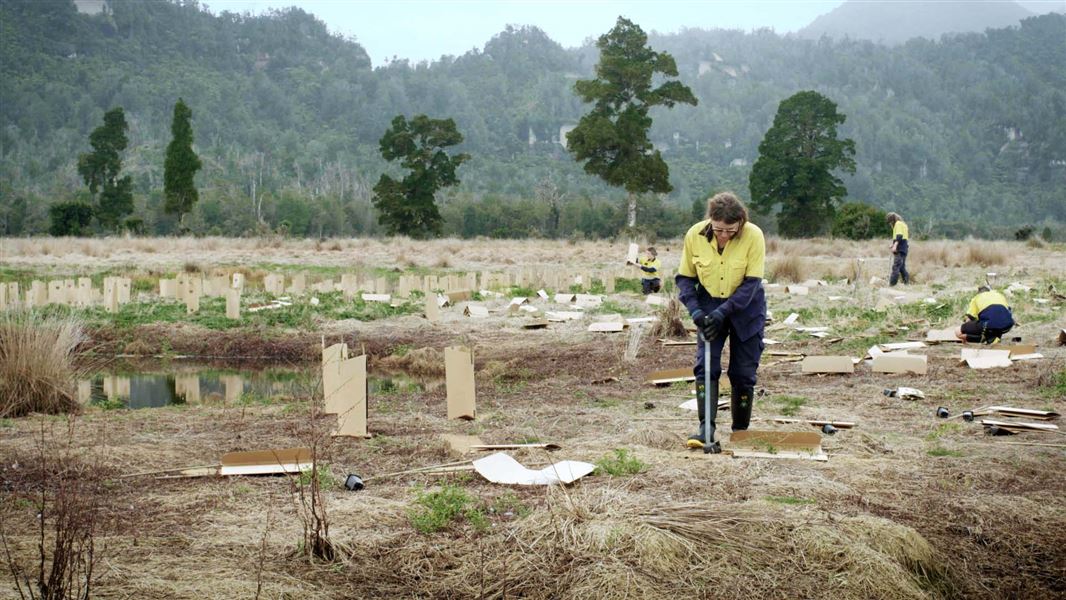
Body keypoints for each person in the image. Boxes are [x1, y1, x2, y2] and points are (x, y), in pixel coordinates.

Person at [675, 192, 766, 453]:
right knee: (706, 366)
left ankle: (740, 432)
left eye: (729, 230)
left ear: (740, 223)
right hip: (708, 304)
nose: (723, 235)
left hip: (745, 308)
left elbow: (751, 284)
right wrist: (695, 312)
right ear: (710, 222)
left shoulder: (754, 236)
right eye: (718, 230)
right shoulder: (694, 235)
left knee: (743, 372)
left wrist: (722, 312)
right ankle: (706, 429)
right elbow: (684, 278)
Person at [886, 212, 910, 285]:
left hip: (899, 248)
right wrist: (893, 244)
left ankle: (892, 284)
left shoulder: (898, 224)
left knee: (896, 266)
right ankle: (906, 283)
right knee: (902, 267)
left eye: (890, 222)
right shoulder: (903, 224)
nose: (890, 224)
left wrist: (895, 245)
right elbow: (903, 237)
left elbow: (899, 235)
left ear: (892, 220)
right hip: (904, 247)